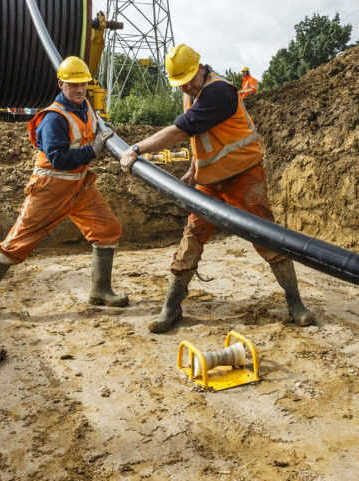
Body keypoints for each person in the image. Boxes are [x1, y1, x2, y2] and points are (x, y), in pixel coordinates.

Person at [118, 44, 314, 333]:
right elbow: (201, 136)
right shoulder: (191, 92)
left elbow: (183, 129)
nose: (184, 87)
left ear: (200, 67)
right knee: (192, 236)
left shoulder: (218, 91)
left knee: (267, 236)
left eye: (187, 80)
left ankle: (295, 303)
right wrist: (192, 169)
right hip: (210, 182)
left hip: (244, 177)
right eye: (180, 83)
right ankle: (171, 307)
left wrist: (137, 148)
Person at [0, 56, 126, 326]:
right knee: (15, 245)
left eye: (83, 84)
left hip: (80, 186)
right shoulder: (54, 119)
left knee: (107, 230)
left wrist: (104, 135)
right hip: (50, 189)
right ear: (61, 83)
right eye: (73, 85)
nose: (79, 89)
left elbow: (96, 126)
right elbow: (60, 158)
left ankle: (101, 291)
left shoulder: (86, 105)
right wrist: (94, 150)